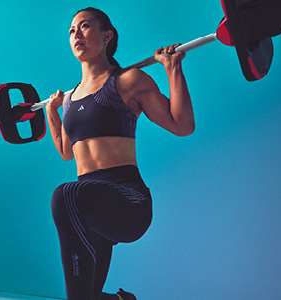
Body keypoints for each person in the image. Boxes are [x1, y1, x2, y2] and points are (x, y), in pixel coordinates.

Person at [46, 7, 195, 300]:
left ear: (106, 36)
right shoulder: (69, 99)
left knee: (64, 195)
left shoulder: (128, 81)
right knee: (87, 293)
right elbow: (67, 152)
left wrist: (173, 68)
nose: (77, 34)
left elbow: (183, 125)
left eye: (85, 27)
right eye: (72, 31)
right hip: (90, 213)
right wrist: (52, 115)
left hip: (129, 202)